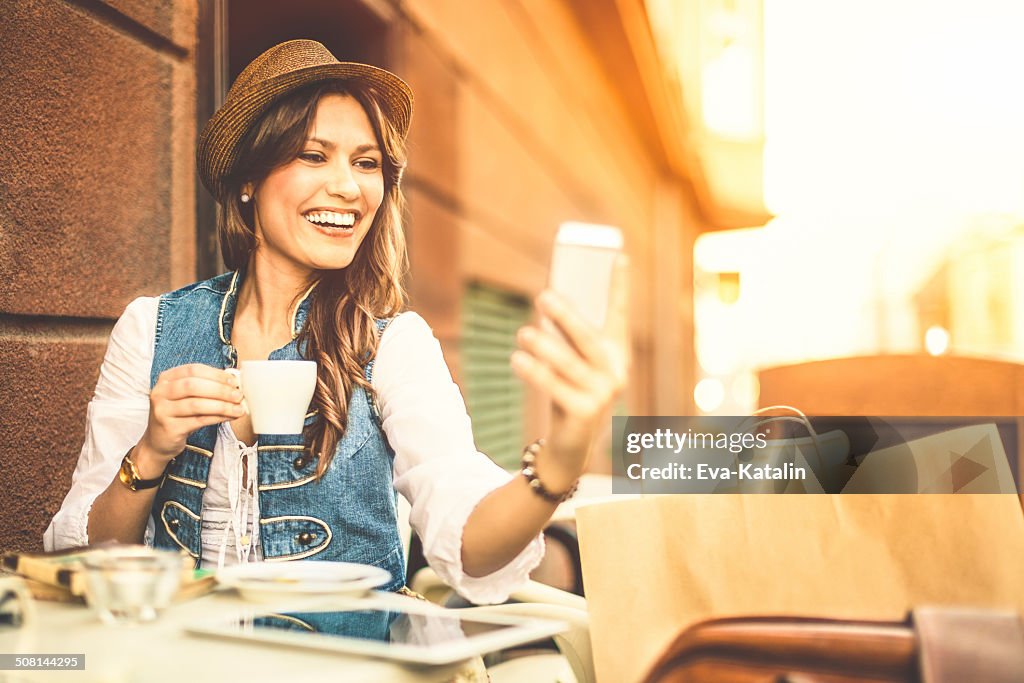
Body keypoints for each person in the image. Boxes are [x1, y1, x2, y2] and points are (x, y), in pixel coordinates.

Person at [44, 40, 627, 604]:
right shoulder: (151, 329)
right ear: (248, 180)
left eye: (367, 163)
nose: (348, 187)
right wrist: (149, 450)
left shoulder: (394, 345)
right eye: (313, 155)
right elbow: (90, 557)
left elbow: (471, 544)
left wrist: (562, 458)